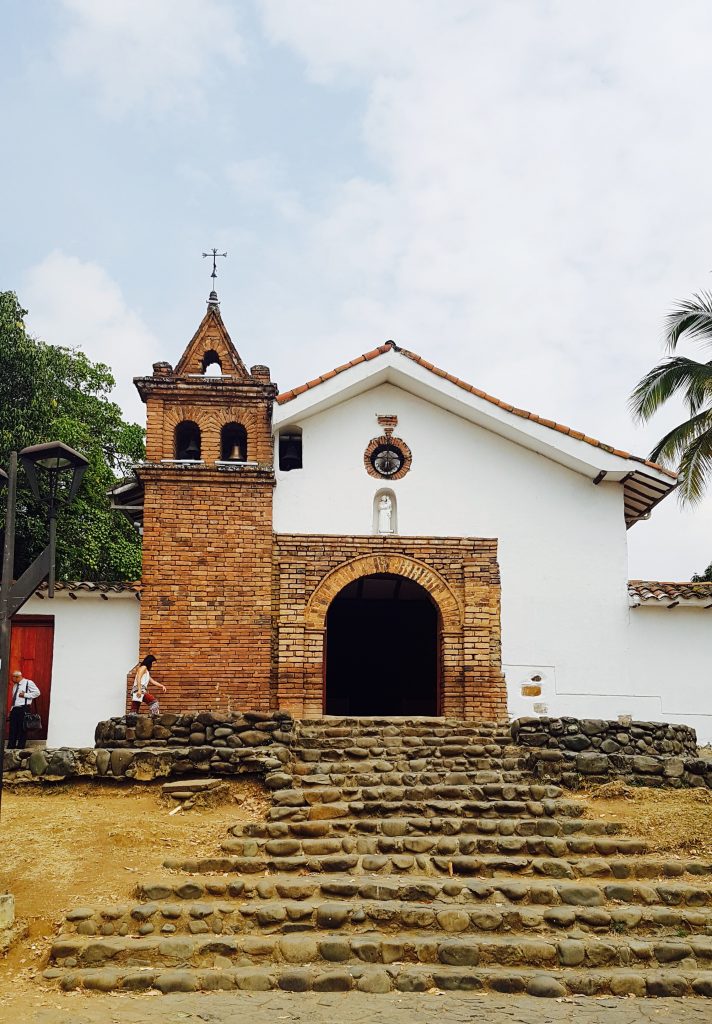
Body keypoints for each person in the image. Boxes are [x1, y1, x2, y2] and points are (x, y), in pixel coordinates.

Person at [8, 670, 41, 750]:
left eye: (13, 677)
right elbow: (14, 699)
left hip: (24, 708)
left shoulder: (28, 683)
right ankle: (11, 746)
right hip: (15, 708)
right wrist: (11, 710)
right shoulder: (15, 685)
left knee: (22, 728)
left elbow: (37, 693)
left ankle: (20, 746)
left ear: (18, 677)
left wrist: (25, 695)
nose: (12, 679)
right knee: (12, 727)